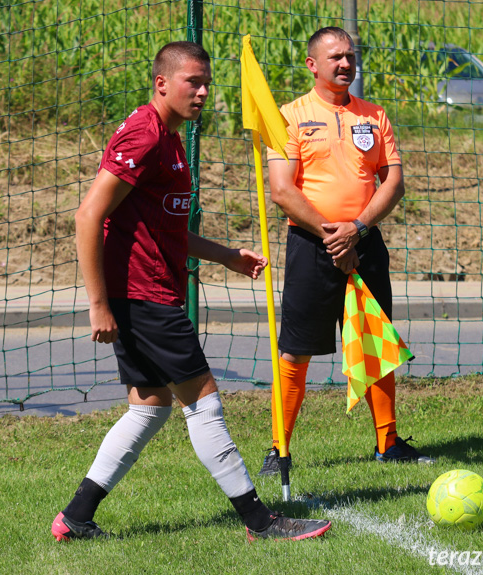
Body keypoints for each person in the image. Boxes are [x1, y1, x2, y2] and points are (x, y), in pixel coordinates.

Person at [51, 41, 331, 542]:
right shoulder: (144, 134)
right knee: (204, 402)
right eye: (192, 83)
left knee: (150, 407)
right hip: (143, 297)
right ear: (162, 84)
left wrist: (225, 254)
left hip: (148, 294)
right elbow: (88, 215)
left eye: (206, 83)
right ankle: (259, 521)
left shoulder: (171, 138)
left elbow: (165, 229)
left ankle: (75, 516)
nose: (203, 92)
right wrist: (98, 304)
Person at [259, 27, 435, 476]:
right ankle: (279, 449)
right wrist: (331, 236)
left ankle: (388, 443)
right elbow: (281, 190)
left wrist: (356, 230)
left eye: (350, 56)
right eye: (335, 57)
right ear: (312, 65)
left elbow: (392, 182)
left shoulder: (375, 116)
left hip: (365, 244)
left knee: (375, 344)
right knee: (296, 351)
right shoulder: (288, 117)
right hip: (310, 247)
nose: (345, 64)